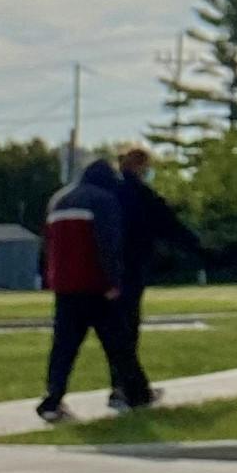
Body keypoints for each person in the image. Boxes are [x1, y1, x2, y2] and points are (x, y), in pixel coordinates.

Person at [36, 156, 154, 423]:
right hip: (95, 285)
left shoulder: (58, 200)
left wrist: (48, 277)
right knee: (119, 345)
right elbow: (108, 243)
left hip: (65, 286)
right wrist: (114, 281)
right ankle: (137, 395)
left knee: (63, 347)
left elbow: (47, 244)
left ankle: (52, 400)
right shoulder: (103, 200)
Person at [110, 144, 202, 405]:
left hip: (107, 269)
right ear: (140, 167)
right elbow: (169, 225)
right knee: (128, 329)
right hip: (132, 267)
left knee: (115, 331)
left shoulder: (110, 192)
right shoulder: (142, 195)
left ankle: (121, 384)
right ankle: (128, 388)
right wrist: (198, 247)